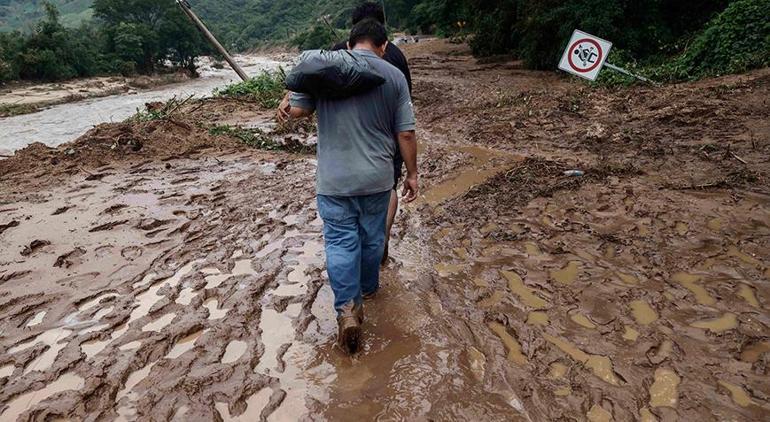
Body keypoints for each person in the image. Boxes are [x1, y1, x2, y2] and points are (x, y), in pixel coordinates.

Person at [278, 19, 418, 354]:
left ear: (349, 43)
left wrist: (286, 106)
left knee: (341, 243)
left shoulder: (327, 73)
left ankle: (346, 308)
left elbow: (298, 109)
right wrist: (412, 173)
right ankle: (368, 290)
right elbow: (406, 133)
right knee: (372, 238)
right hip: (377, 179)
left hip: (334, 180)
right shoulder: (394, 76)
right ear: (383, 46)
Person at [332, 2, 412, 264]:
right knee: (388, 187)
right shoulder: (396, 55)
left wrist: (288, 98)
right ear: (383, 31)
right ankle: (381, 240)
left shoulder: (337, 53)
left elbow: (308, 81)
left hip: (346, 142)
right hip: (386, 140)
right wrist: (413, 172)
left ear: (353, 29)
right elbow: (405, 112)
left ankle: (352, 249)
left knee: (348, 195)